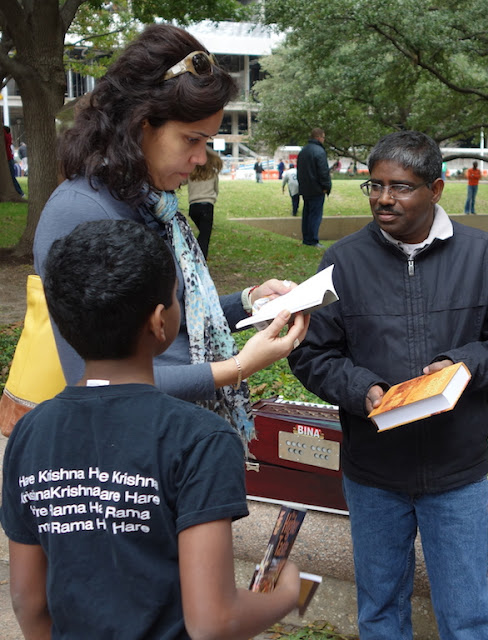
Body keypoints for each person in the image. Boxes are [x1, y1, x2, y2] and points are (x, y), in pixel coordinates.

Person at [1, 219, 301, 639]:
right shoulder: (201, 439)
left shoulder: (31, 432)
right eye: (177, 297)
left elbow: (29, 602)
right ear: (160, 321)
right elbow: (213, 621)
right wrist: (287, 593)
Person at [288, 130, 488, 640]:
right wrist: (364, 389)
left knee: (468, 616)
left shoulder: (481, 254)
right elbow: (313, 354)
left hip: (457, 471)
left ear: (436, 188)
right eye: (374, 185)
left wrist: (460, 364)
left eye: (399, 187)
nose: (383, 198)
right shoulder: (343, 260)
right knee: (380, 613)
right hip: (373, 471)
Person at [33, 24, 309, 450]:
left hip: (179, 435)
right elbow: (96, 377)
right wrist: (235, 367)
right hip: (131, 451)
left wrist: (249, 303)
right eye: (192, 140)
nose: (201, 159)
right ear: (141, 125)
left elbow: (167, 323)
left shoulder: (149, 202)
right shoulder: (82, 213)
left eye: (208, 141)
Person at [297, 127, 331, 247]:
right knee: (315, 215)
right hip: (317, 188)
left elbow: (300, 171)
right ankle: (313, 240)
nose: (324, 140)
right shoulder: (319, 151)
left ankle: (307, 238)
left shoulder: (303, 151)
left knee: (306, 214)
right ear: (319, 137)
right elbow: (323, 172)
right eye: (323, 137)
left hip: (306, 188)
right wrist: (326, 186)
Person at [187, 147, 222, 259]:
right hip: (207, 206)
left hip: (193, 207)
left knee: (202, 233)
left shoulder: (191, 173)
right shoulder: (213, 173)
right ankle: (200, 258)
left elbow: (181, 182)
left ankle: (195, 253)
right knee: (205, 236)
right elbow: (216, 189)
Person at [3, 125, 25, 196]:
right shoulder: (8, 136)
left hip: (8, 159)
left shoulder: (6, 136)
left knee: (12, 177)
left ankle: (20, 192)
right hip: (9, 158)